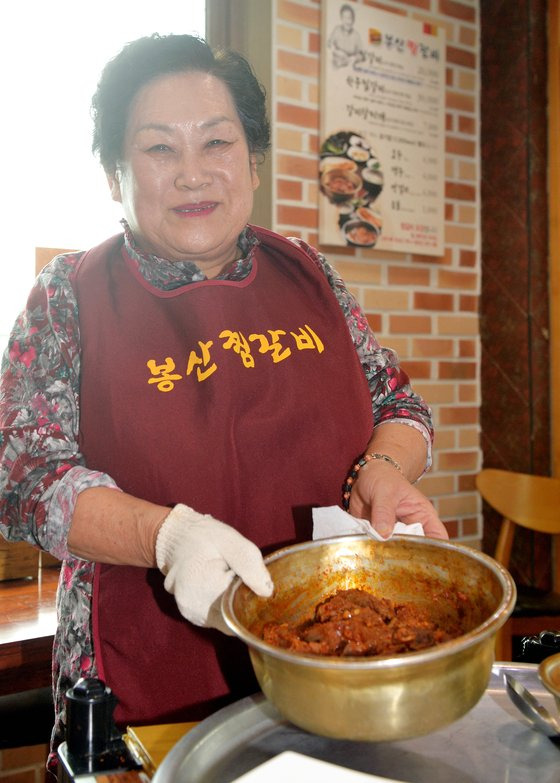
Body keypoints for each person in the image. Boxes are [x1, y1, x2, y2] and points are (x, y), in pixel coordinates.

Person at [0, 33, 447, 769]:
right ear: (115, 175)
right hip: (143, 675)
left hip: (325, 665)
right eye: (158, 149)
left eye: (217, 142)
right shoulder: (68, 297)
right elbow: (25, 481)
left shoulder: (312, 275)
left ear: (254, 162)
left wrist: (386, 469)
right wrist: (165, 538)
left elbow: (399, 404)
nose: (193, 173)